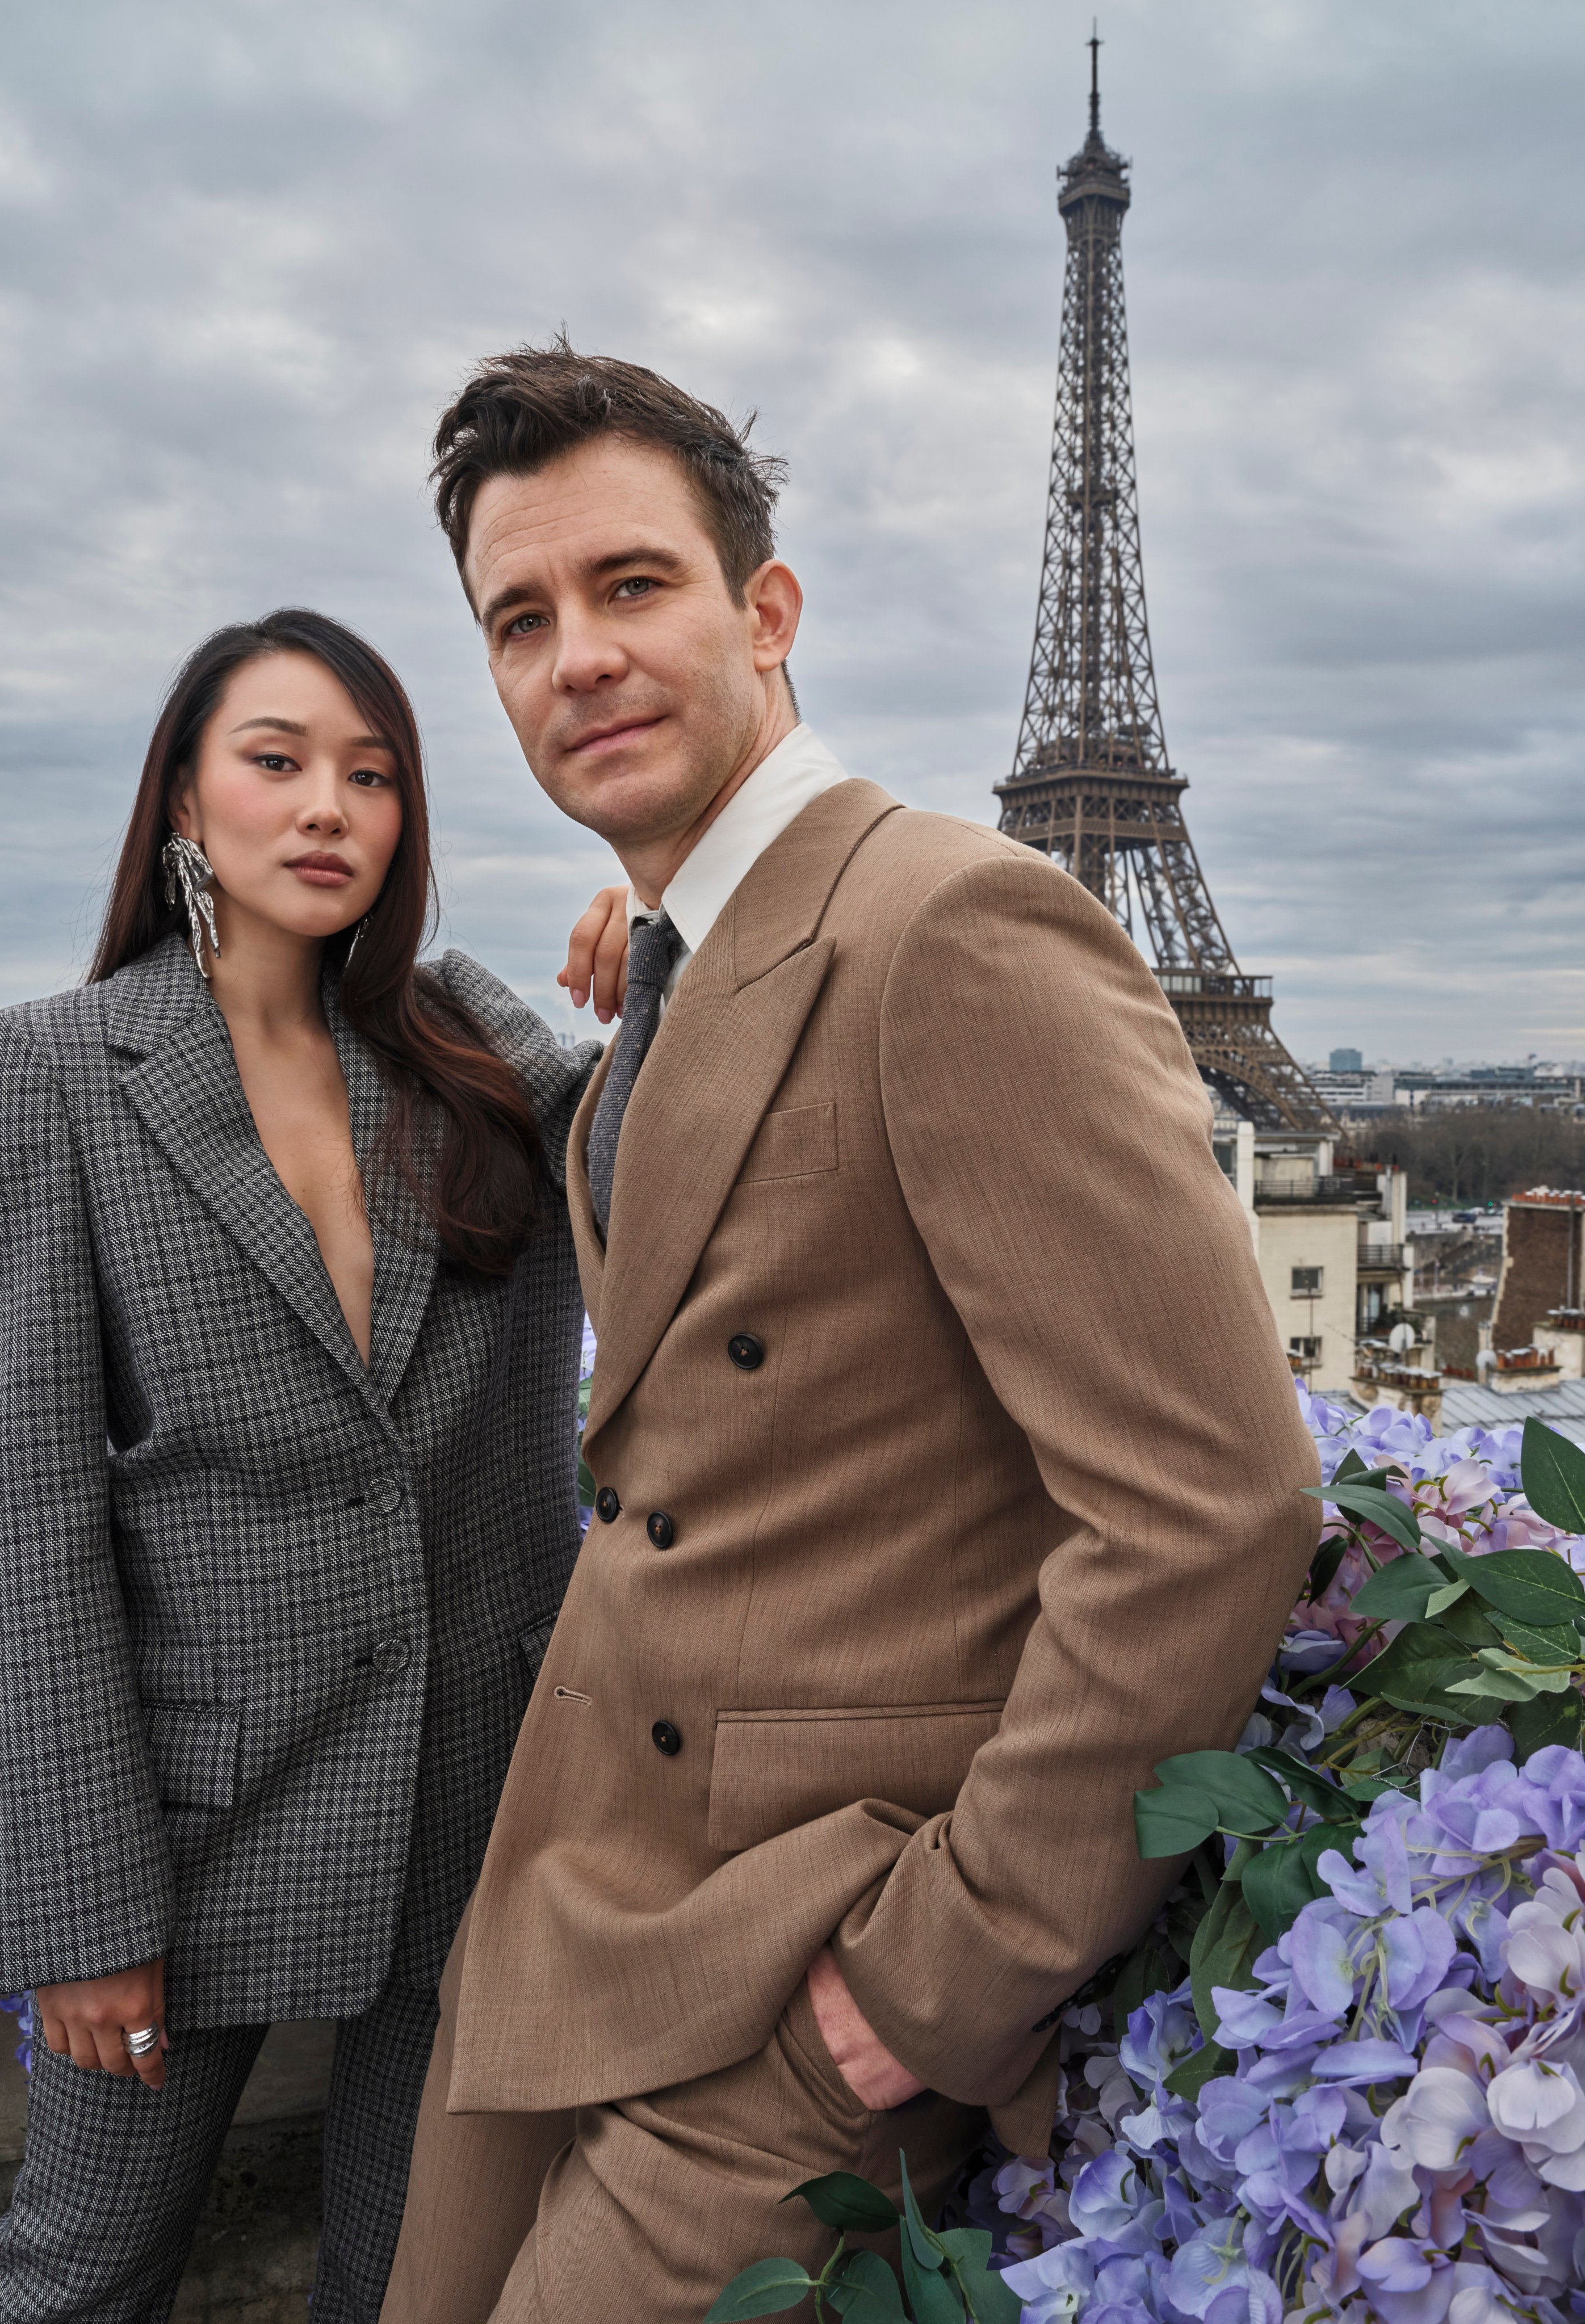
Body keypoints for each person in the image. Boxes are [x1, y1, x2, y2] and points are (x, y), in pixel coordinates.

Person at [380, 350, 1320, 2322]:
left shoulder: (960, 932)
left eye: (635, 588)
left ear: (769, 611)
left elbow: (1211, 1501)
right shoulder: (689, 953)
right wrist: (652, 954)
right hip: (599, 1904)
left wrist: (933, 1985)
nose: (577, 660)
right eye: (520, 621)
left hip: (806, 1972)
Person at [0, 608, 627, 2323]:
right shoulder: (47, 1074)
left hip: (481, 1783)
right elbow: (24, 1527)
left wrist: (679, 944)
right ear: (185, 797)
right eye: (277, 761)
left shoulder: (462, 1035)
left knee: (416, 2279)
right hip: (190, 1813)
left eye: (372, 773)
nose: (330, 806)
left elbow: (671, 1150)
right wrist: (82, 1910)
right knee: (79, 2272)